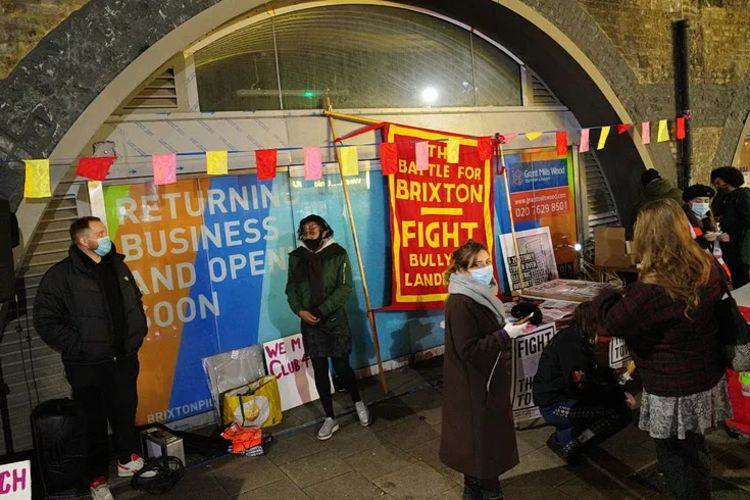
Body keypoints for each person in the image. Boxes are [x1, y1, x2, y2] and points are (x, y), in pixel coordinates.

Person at [594, 199, 731, 499]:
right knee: (694, 449)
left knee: (674, 458)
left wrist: (606, 294)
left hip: (672, 388)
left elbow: (613, 323)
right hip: (704, 376)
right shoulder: (707, 266)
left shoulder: (652, 289)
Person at [34, 216, 147, 500]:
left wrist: (137, 333)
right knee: (92, 424)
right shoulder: (60, 276)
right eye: (100, 233)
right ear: (83, 241)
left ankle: (126, 459)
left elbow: (135, 300)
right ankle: (97, 480)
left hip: (122, 359)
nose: (106, 236)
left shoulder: (117, 266)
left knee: (124, 413)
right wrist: (79, 346)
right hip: (87, 367)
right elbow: (45, 321)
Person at [440, 240, 526, 500]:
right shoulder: (461, 301)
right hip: (474, 389)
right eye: (477, 264)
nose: (486, 268)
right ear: (462, 269)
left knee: (480, 458)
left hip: (485, 383)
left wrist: (507, 325)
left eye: (488, 262)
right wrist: (504, 334)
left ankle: (478, 490)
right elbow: (468, 350)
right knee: (483, 453)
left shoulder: (482, 292)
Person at [285, 214, 369, 440]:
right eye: (305, 228)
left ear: (324, 230)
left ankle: (358, 402)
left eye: (314, 227)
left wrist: (321, 311)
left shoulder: (338, 254)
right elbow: (291, 288)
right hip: (309, 323)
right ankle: (330, 417)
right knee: (320, 369)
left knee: (342, 366)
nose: (309, 231)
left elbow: (344, 288)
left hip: (334, 320)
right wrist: (300, 311)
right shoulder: (296, 257)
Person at [533, 301, 633, 463]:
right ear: (593, 322)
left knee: (615, 408)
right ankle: (566, 441)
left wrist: (613, 380)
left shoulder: (577, 337)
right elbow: (582, 387)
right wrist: (618, 396)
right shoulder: (572, 344)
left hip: (564, 398)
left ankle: (572, 434)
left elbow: (591, 375)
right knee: (617, 414)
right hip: (555, 405)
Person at [710, 166, 750, 288]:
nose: (717, 186)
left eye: (718, 182)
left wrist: (732, 235)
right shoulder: (725, 197)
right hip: (729, 245)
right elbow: (715, 211)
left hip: (740, 246)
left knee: (741, 278)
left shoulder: (743, 197)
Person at [682, 183, 731, 280]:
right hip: (694, 268)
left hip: (710, 266)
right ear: (688, 202)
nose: (703, 204)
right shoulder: (682, 220)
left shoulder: (707, 218)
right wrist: (704, 240)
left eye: (706, 201)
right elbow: (683, 244)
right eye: (698, 201)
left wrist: (723, 238)